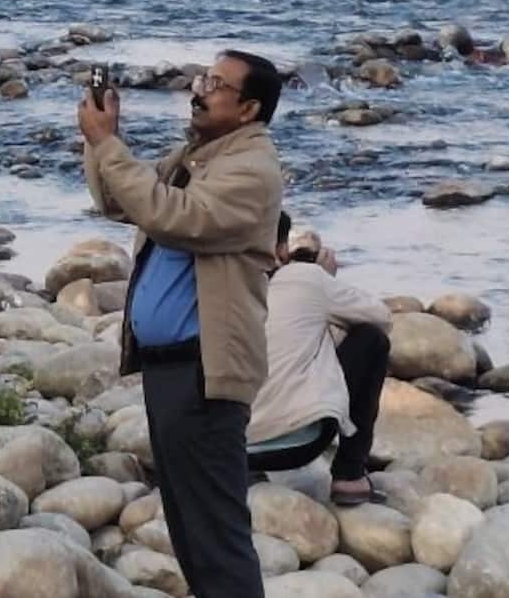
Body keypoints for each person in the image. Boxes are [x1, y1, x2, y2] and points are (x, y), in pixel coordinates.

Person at [79, 50, 285, 598]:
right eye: (203, 77)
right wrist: (104, 139)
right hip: (170, 370)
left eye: (216, 84)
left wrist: (107, 145)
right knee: (188, 526)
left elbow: (175, 217)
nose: (199, 89)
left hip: (205, 372)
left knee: (215, 533)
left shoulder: (252, 170)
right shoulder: (200, 156)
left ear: (248, 109)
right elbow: (124, 203)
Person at [245, 214, 393, 505]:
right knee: (371, 340)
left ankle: (250, 474)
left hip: (231, 446)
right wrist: (323, 278)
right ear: (281, 251)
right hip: (303, 441)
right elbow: (381, 318)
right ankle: (349, 476)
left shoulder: (223, 283)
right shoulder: (306, 277)